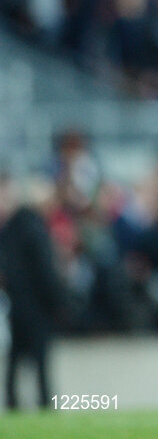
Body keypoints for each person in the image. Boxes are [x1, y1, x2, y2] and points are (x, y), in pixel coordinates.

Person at [0, 176, 65, 411]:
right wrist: (59, 302)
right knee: (41, 360)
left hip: (16, 304)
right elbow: (45, 272)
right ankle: (45, 401)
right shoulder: (36, 230)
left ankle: (11, 401)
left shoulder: (10, 228)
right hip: (37, 306)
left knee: (15, 358)